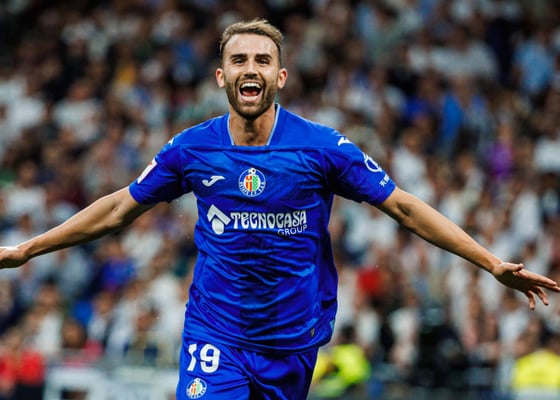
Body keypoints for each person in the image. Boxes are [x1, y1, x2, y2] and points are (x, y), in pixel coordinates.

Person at [0, 18, 559, 400]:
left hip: (291, 342)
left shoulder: (321, 148)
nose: (251, 68)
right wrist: (29, 249)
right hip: (215, 332)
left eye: (263, 60)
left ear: (280, 76)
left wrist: (491, 263)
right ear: (221, 76)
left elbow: (406, 209)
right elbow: (119, 208)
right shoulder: (192, 148)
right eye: (239, 60)